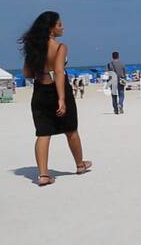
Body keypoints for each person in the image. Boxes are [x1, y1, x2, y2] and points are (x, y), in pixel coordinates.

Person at [19, 11, 92, 187]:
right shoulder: (60, 47)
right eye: (59, 24)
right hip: (58, 89)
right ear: (51, 29)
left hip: (39, 90)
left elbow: (27, 73)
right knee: (71, 129)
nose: (63, 27)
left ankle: (43, 175)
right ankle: (80, 165)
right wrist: (61, 99)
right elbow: (59, 72)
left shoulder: (33, 47)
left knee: (43, 133)